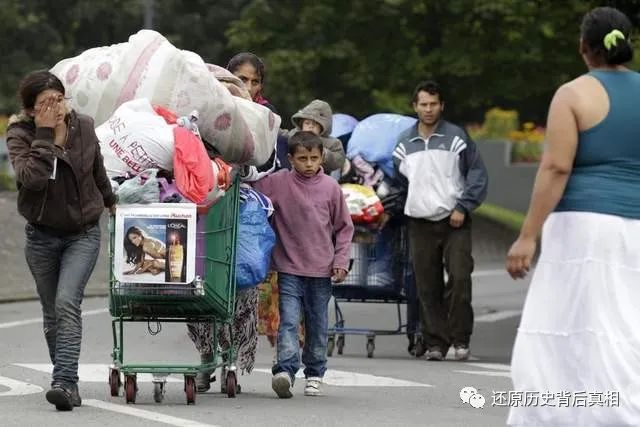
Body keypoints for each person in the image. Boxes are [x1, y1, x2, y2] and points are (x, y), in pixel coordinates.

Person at [506, 7, 640, 425]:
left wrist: (527, 235)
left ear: (584, 47)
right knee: (624, 328)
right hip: (635, 228)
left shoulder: (573, 94)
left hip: (583, 227)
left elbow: (556, 167)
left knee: (561, 327)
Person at [6, 70, 116, 411]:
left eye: (58, 99)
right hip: (41, 236)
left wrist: (111, 202)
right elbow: (32, 179)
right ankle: (65, 376)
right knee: (52, 313)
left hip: (82, 233)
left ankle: (65, 384)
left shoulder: (83, 126)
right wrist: (45, 134)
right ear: (29, 110)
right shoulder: (20, 134)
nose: (55, 107)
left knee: (68, 303)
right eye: (44, 104)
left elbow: (96, 168)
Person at [187, 51, 274, 393]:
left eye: (254, 81)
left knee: (243, 285)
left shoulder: (263, 119)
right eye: (240, 79)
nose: (247, 87)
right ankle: (207, 354)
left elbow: (270, 162)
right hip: (205, 210)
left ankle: (235, 353)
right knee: (194, 284)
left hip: (242, 213)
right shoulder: (202, 114)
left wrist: (246, 166)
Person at [250, 131, 354, 398]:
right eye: (302, 158)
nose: (309, 164)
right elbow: (252, 193)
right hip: (288, 267)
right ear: (290, 159)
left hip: (322, 269)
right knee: (288, 321)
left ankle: (315, 372)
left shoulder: (331, 188)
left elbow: (344, 228)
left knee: (318, 323)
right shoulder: (277, 183)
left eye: (314, 158)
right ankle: (284, 370)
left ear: (322, 158)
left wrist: (341, 261)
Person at [392, 80, 488, 361]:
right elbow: (400, 181)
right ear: (415, 106)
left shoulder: (457, 138)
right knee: (427, 284)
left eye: (434, 104)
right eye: (423, 104)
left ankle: (460, 340)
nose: (428, 109)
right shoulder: (403, 143)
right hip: (419, 222)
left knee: (460, 278)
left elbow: (477, 175)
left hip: (454, 220)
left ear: (442, 106)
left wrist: (464, 206)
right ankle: (436, 342)